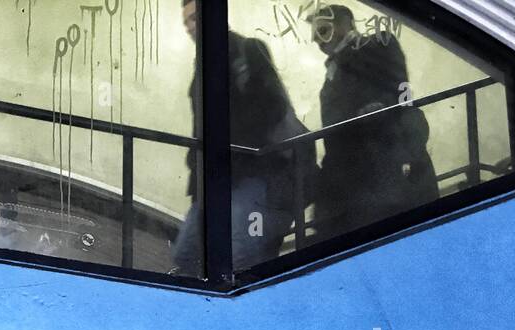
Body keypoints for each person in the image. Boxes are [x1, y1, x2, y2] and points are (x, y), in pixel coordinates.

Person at [171, 0, 307, 274]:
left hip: (249, 174)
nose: (188, 27)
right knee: (185, 254)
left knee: (242, 257)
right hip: (214, 175)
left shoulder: (248, 50)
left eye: (195, 18)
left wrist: (227, 145)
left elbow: (273, 108)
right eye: (185, 21)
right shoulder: (203, 59)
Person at [309, 4, 437, 240]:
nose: (318, 40)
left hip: (379, 170)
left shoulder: (377, 44)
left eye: (324, 30)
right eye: (315, 34)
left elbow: (396, 93)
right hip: (350, 178)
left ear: (346, 24)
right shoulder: (334, 68)